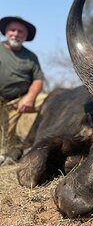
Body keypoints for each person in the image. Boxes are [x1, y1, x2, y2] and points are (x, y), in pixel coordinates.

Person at [0, 16, 47, 165]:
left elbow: (38, 80)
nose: (16, 34)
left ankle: (39, 142)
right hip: (3, 104)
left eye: (20, 31)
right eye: (12, 30)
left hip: (24, 99)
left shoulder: (31, 57)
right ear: (6, 32)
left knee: (51, 101)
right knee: (4, 153)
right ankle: (13, 148)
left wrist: (30, 97)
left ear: (25, 36)